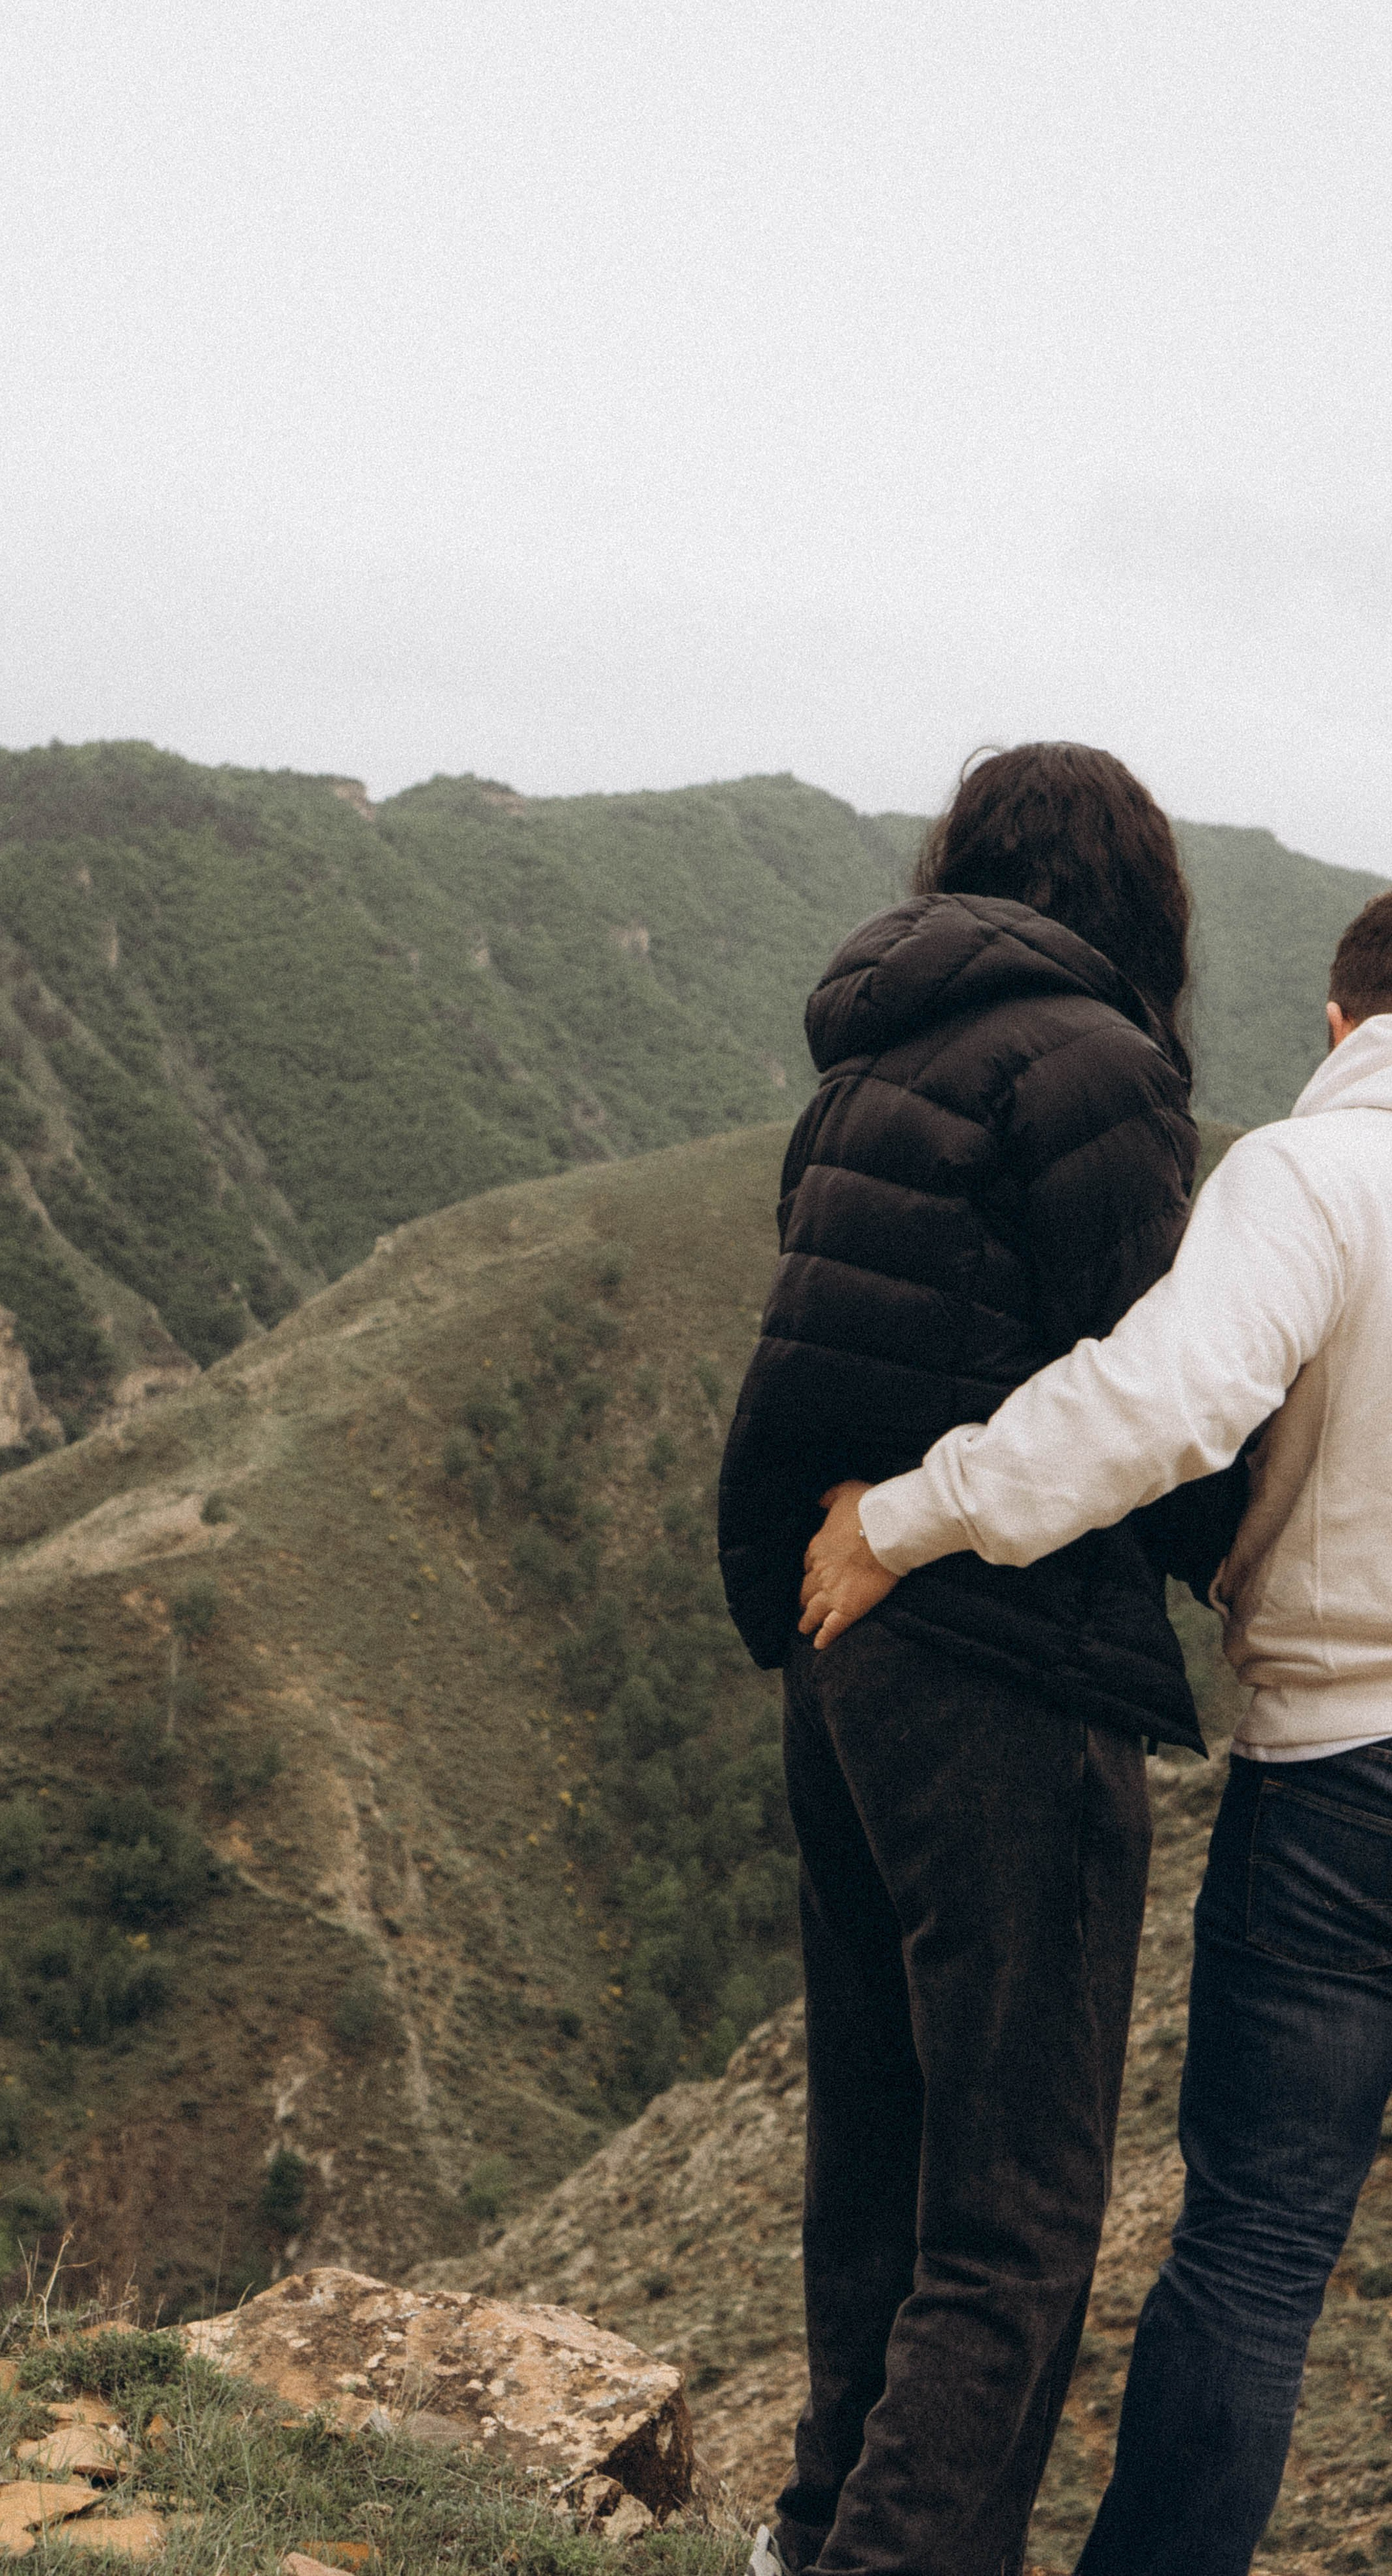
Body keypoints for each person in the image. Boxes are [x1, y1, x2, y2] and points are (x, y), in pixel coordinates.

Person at [799, 888, 1392, 2576]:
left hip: (1342, 1776)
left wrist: (908, 1515)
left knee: (1262, 2252)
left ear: (1340, 1029)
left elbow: (1163, 1399)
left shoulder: (1309, 1169)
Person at [717, 743, 1240, 2576]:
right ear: (1137, 895)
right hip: (1008, 1674)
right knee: (1015, 2217)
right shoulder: (1096, 1072)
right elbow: (1152, 1403)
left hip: (839, 1647)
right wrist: (1269, 1570)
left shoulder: (871, 1058)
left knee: (874, 2160)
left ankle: (809, 2533)